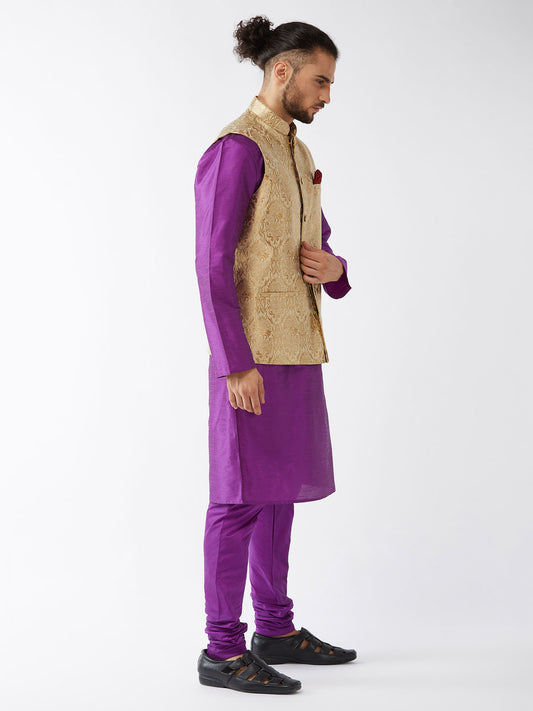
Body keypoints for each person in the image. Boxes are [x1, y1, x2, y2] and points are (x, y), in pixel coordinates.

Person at [194, 16, 356, 695]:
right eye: (321, 80)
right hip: (251, 358)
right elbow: (210, 263)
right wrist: (234, 363)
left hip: (298, 351)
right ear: (282, 71)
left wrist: (337, 269)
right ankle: (221, 650)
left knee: (279, 493)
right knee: (238, 500)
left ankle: (276, 629)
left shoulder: (296, 149)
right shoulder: (236, 149)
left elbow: (318, 242)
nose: (326, 95)